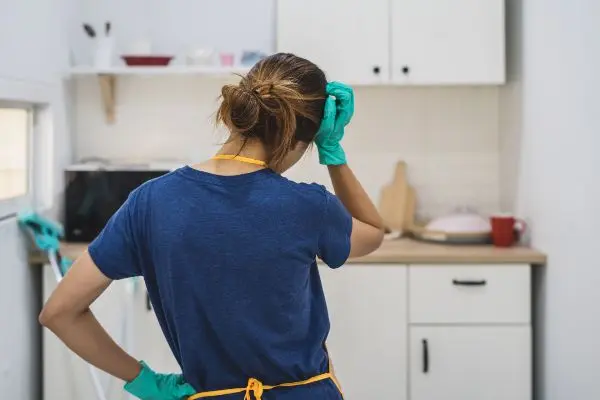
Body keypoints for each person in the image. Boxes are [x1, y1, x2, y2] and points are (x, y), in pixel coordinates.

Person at [40, 53, 385, 400]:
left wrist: (146, 381)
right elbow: (372, 231)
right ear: (295, 138)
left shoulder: (149, 203)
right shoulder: (308, 206)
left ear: (240, 113)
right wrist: (333, 152)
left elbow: (60, 313)